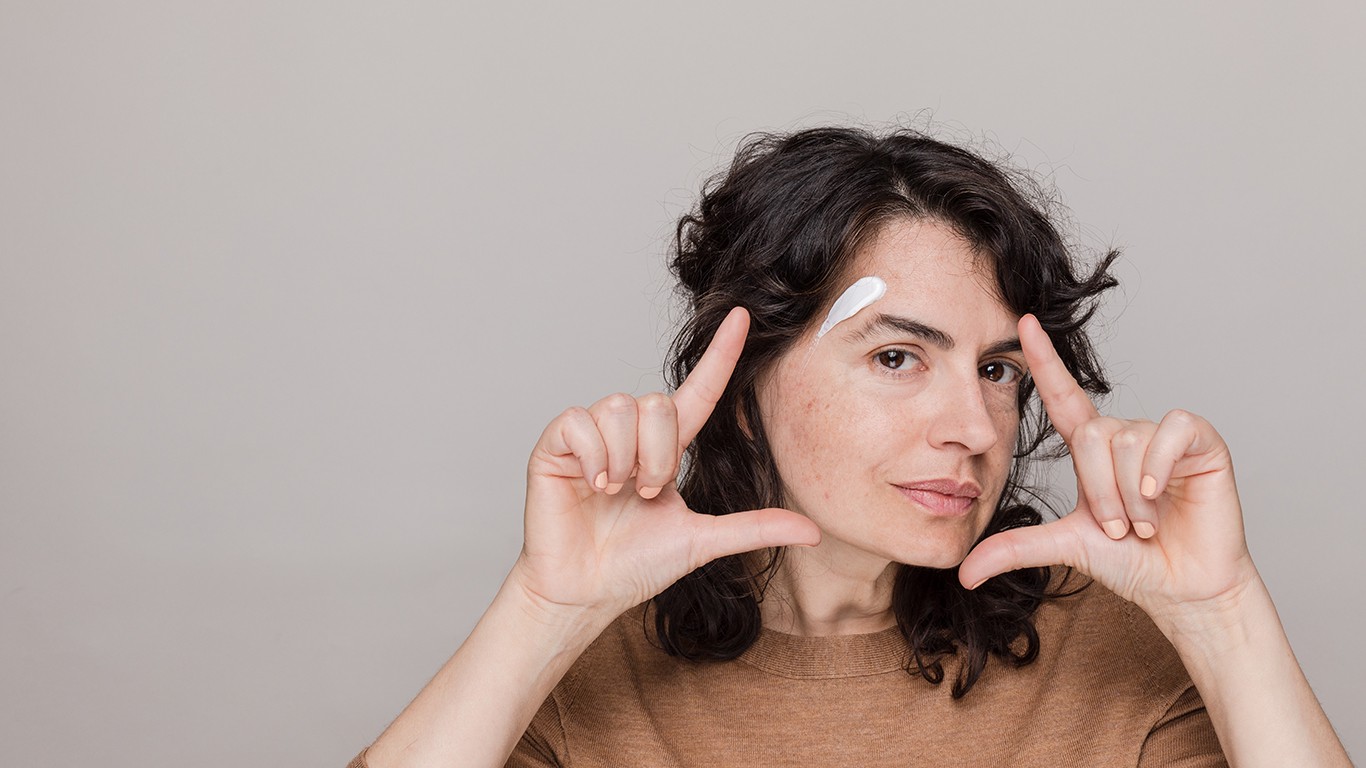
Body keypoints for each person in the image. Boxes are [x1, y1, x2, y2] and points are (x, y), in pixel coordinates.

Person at [349, 127, 1351, 767]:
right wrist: (540, 614)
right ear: (744, 392)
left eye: (997, 371)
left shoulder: (1113, 657)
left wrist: (1220, 617)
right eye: (897, 357)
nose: (972, 429)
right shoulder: (588, 680)